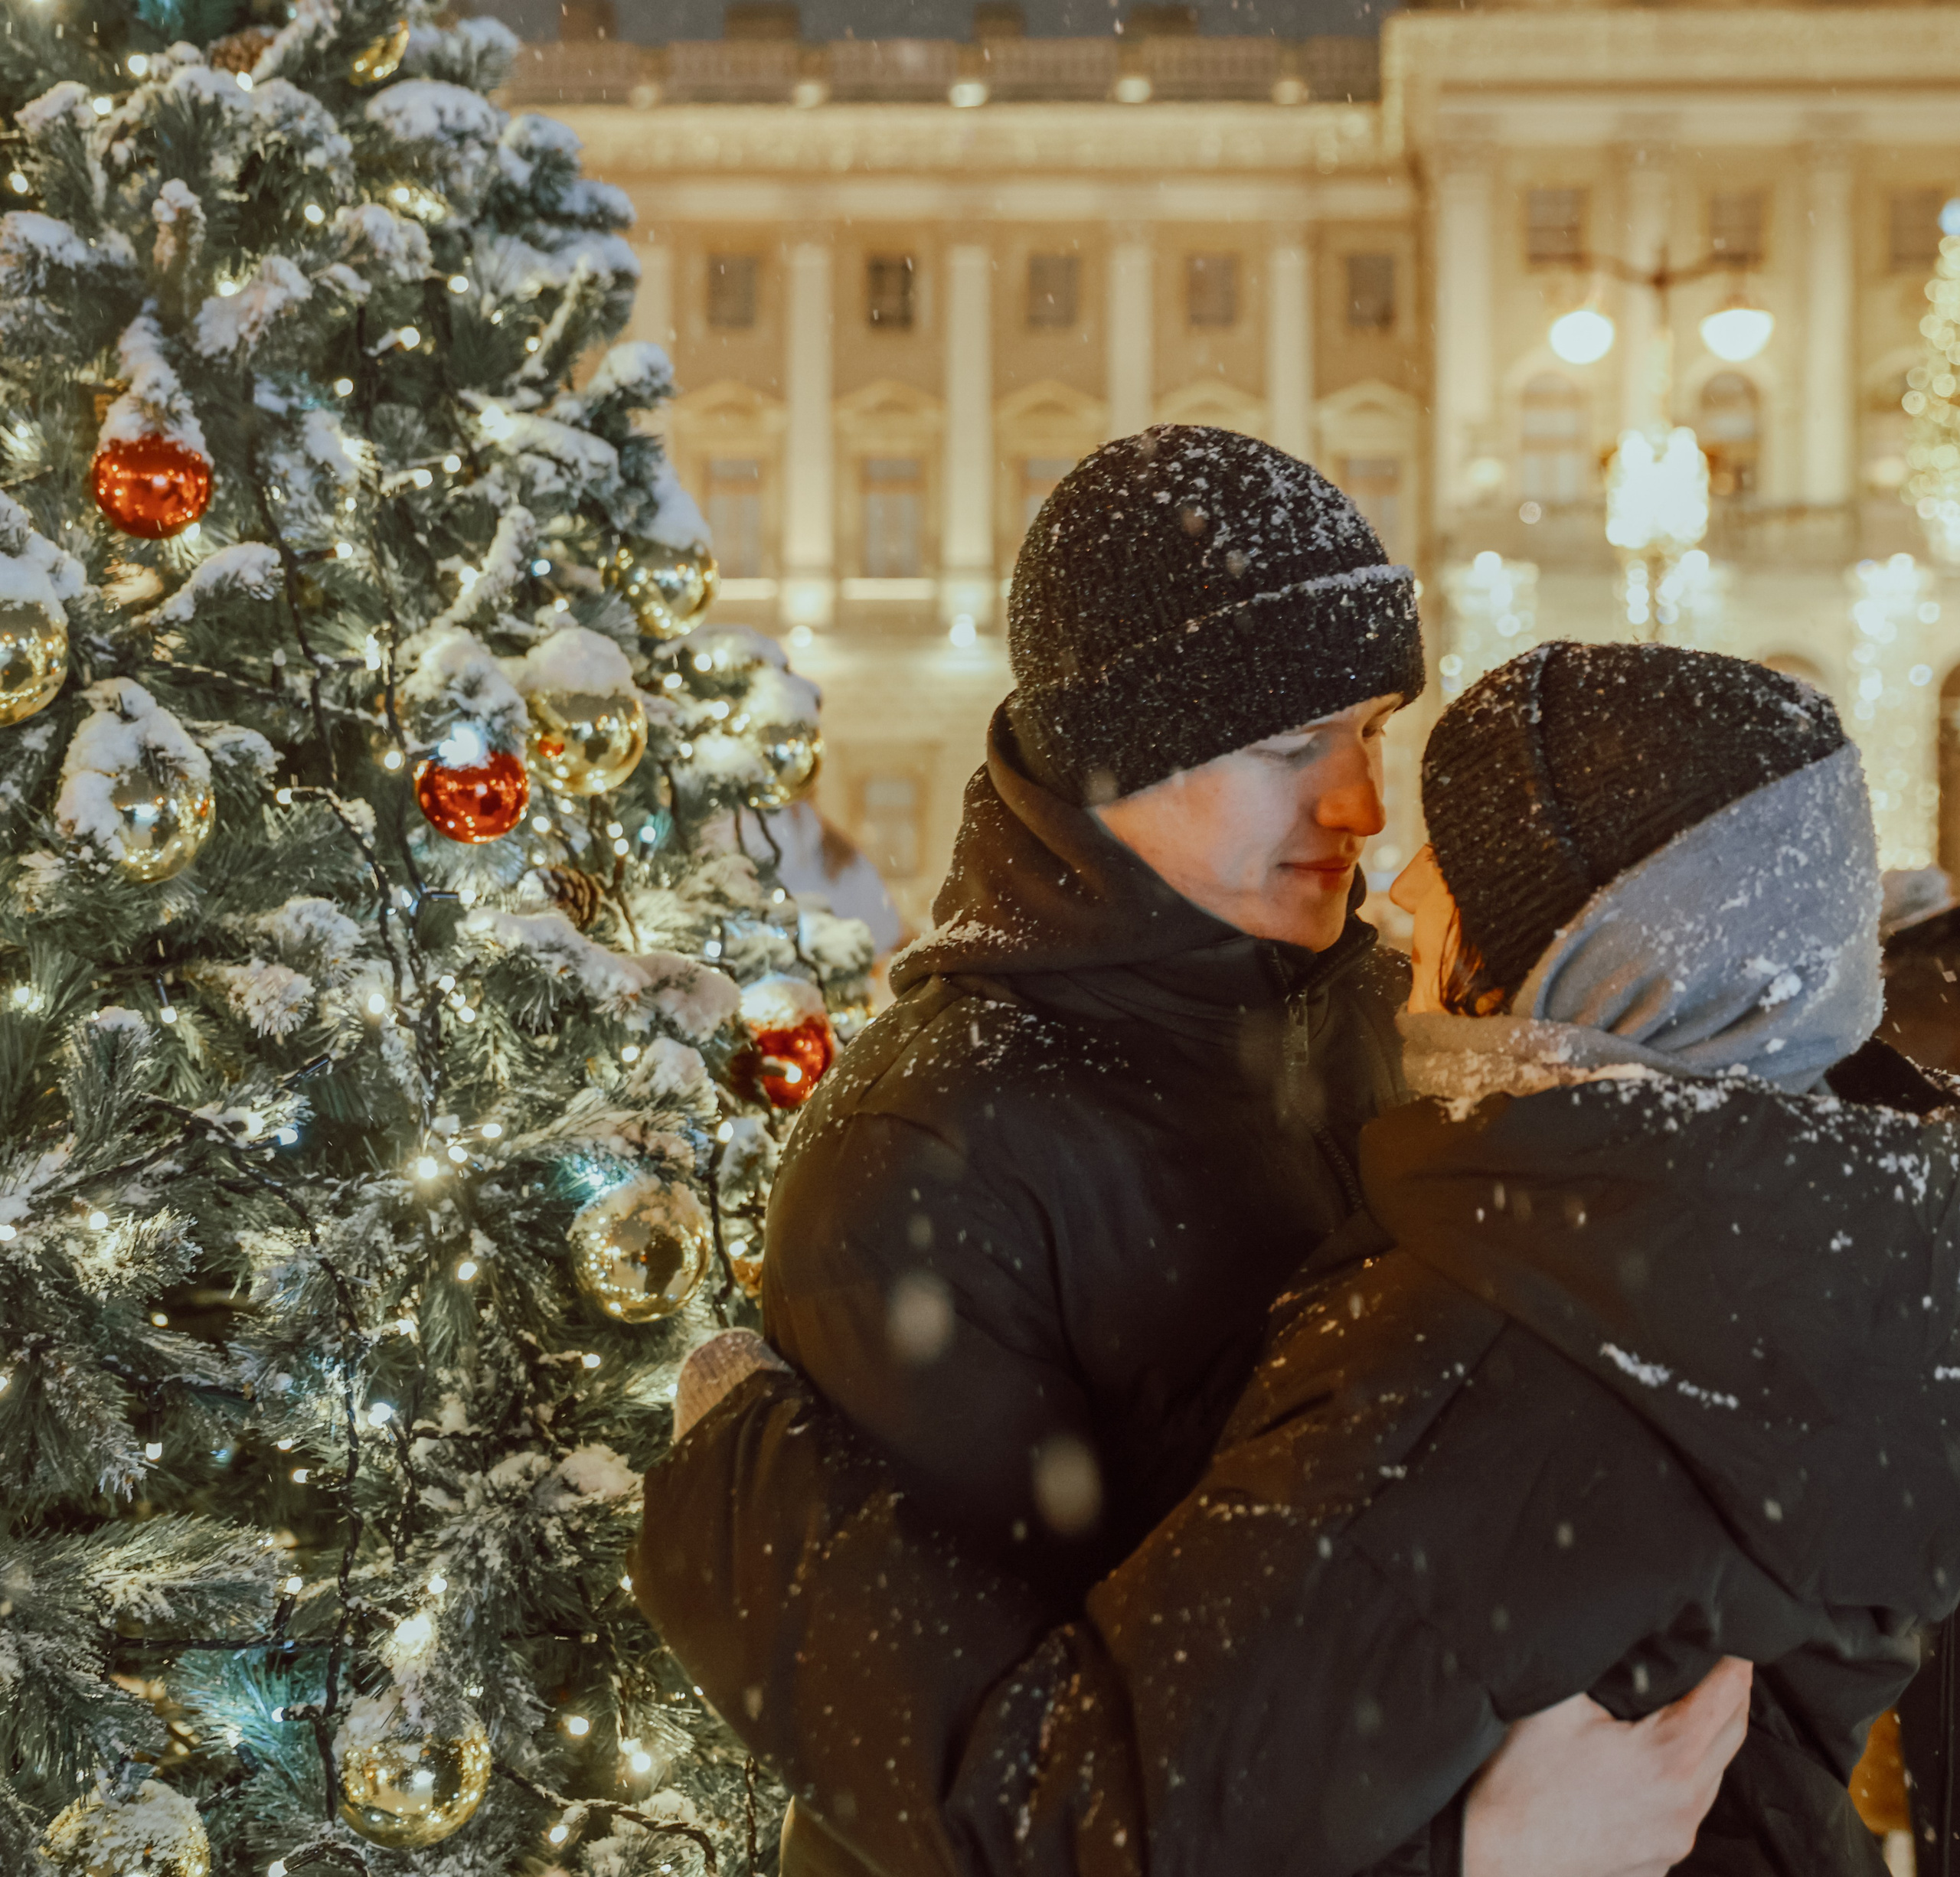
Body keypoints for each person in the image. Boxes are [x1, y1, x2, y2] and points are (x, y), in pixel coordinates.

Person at [637, 430, 1749, 1875]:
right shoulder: (938, 1146)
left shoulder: (1361, 1011)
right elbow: (1004, 1796)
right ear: (1120, 748)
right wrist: (1472, 1854)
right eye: (1291, 747)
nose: (1358, 805)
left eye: (1370, 734)